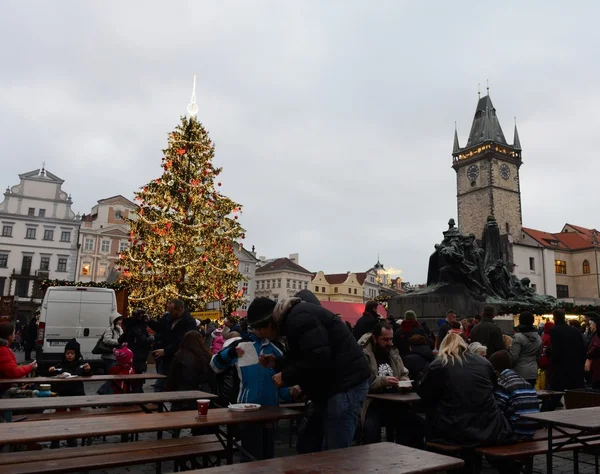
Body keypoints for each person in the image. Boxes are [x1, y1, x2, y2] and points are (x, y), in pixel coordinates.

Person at [249, 292, 370, 452]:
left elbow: (318, 357)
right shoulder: (293, 319)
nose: (258, 334)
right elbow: (307, 355)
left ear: (269, 324)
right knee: (311, 443)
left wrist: (285, 376)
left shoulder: (299, 318)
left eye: (258, 329)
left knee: (336, 450)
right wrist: (278, 362)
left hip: (346, 385)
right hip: (334, 386)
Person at [210, 309, 294, 462]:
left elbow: (281, 383)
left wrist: (291, 393)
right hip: (246, 409)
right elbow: (215, 366)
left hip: (271, 410)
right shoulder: (241, 345)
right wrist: (229, 354)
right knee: (250, 455)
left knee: (268, 455)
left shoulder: (277, 349)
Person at [417, 333, 514, 448]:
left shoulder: (439, 365)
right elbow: (493, 387)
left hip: (454, 429)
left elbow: (424, 393)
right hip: (489, 426)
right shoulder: (484, 363)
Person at [358, 322, 424, 447]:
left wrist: (404, 381)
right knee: (370, 428)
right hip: (372, 403)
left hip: (395, 401)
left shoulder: (393, 351)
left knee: (415, 422)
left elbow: (403, 372)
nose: (389, 343)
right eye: (385, 339)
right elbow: (363, 382)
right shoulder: (364, 354)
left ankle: (406, 456)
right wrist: (382, 381)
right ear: (374, 338)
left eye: (391, 339)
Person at [48, 339, 91, 448]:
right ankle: (56, 438)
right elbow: (51, 372)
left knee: (74, 416)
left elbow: (88, 374)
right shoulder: (61, 364)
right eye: (68, 353)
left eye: (72, 353)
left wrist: (87, 370)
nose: (70, 356)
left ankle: (72, 438)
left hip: (76, 393)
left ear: (76, 354)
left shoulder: (80, 365)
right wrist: (51, 371)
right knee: (59, 416)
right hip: (62, 393)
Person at [147, 299, 197, 391]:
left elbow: (182, 340)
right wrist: (149, 321)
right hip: (166, 357)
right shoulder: (168, 317)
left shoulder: (189, 321)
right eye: (168, 310)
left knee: (174, 384)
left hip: (179, 357)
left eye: (171, 310)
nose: (169, 312)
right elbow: (159, 327)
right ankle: (157, 404)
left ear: (180, 309)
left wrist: (166, 351)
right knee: (160, 384)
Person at [489, 350, 540, 440]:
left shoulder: (503, 383)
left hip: (515, 433)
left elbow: (497, 411)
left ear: (495, 369)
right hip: (531, 430)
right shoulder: (524, 382)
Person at [545, 309, 586, 411]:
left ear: (555, 318)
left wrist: (550, 355)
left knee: (553, 397)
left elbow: (556, 351)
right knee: (576, 400)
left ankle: (541, 420)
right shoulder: (575, 331)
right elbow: (583, 349)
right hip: (576, 369)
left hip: (561, 370)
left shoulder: (555, 331)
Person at [167, 331, 213, 409]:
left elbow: (173, 376)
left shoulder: (180, 355)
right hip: (203, 392)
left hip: (183, 392)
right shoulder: (207, 355)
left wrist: (170, 391)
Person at [120, 309, 154, 393]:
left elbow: (120, 340)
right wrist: (151, 338)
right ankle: (136, 393)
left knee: (133, 376)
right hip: (138, 355)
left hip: (132, 354)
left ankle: (133, 392)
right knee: (137, 376)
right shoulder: (137, 327)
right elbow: (143, 339)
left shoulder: (130, 325)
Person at [508, 311, 542, 387]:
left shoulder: (518, 337)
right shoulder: (538, 337)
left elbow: (514, 357)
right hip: (533, 371)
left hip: (519, 371)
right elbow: (539, 355)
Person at [586, 315, 600, 390]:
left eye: (591, 324)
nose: (590, 326)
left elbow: (596, 347)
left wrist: (588, 355)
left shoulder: (597, 335)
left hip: (597, 366)